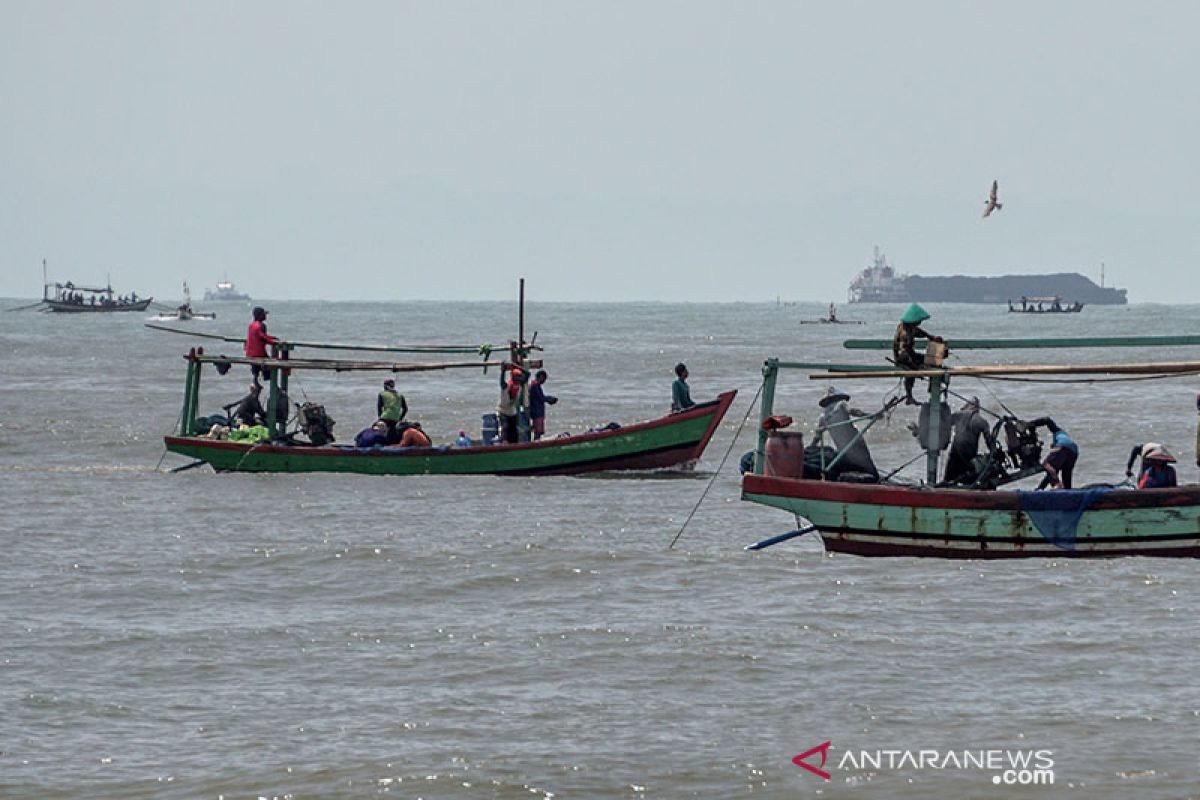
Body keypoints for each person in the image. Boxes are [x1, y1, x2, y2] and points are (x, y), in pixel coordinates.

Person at [816, 386, 878, 479]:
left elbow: (816, 437)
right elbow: (854, 411)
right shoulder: (841, 405)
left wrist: (811, 447)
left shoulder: (823, 417)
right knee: (870, 470)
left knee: (858, 468)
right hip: (856, 445)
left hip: (844, 452)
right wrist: (871, 416)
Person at [892, 303, 944, 405]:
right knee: (911, 371)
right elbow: (906, 349)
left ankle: (930, 387)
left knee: (931, 361)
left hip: (908, 354)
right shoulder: (904, 332)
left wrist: (930, 337)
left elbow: (919, 332)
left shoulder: (908, 327)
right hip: (903, 357)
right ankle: (910, 396)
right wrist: (915, 364)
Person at [943, 396, 995, 484]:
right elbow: (989, 442)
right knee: (971, 480)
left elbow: (943, 424)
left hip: (955, 454)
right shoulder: (982, 421)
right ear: (978, 408)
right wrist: (994, 455)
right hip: (969, 457)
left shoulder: (958, 415)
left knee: (947, 480)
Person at [1029, 417, 1078, 489]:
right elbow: (1050, 475)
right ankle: (1068, 490)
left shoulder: (1058, 431)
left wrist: (1030, 424)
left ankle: (1058, 485)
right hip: (1074, 451)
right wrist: (1040, 488)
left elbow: (1047, 420)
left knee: (1046, 464)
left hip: (1063, 446)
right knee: (1065, 474)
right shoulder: (1063, 437)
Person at [245, 307, 279, 384]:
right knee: (272, 366)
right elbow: (263, 338)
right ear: (260, 316)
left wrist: (272, 338)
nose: (266, 316)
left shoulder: (251, 325)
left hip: (250, 354)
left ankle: (255, 380)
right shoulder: (261, 325)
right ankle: (273, 385)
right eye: (264, 314)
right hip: (259, 354)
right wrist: (274, 342)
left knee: (256, 368)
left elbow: (262, 336)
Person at [497, 366, 527, 444]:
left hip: (512, 412)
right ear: (513, 377)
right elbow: (501, 381)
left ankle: (514, 445)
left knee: (514, 431)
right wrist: (503, 371)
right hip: (503, 411)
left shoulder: (520, 386)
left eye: (519, 377)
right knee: (505, 427)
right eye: (517, 376)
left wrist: (516, 365)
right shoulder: (506, 386)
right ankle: (504, 444)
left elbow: (527, 374)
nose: (519, 378)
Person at [528, 369, 558, 440]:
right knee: (538, 432)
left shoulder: (535, 385)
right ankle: (535, 444)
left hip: (537, 411)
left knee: (538, 431)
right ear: (540, 377)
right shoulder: (535, 385)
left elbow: (541, 398)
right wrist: (549, 399)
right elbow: (541, 398)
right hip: (537, 412)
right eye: (544, 379)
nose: (544, 381)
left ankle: (536, 442)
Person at [376, 378, 408, 443]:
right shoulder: (400, 395)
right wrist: (400, 419)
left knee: (377, 432)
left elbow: (379, 407)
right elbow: (405, 409)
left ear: (385, 386)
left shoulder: (382, 394)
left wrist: (379, 418)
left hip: (385, 418)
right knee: (393, 437)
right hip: (395, 419)